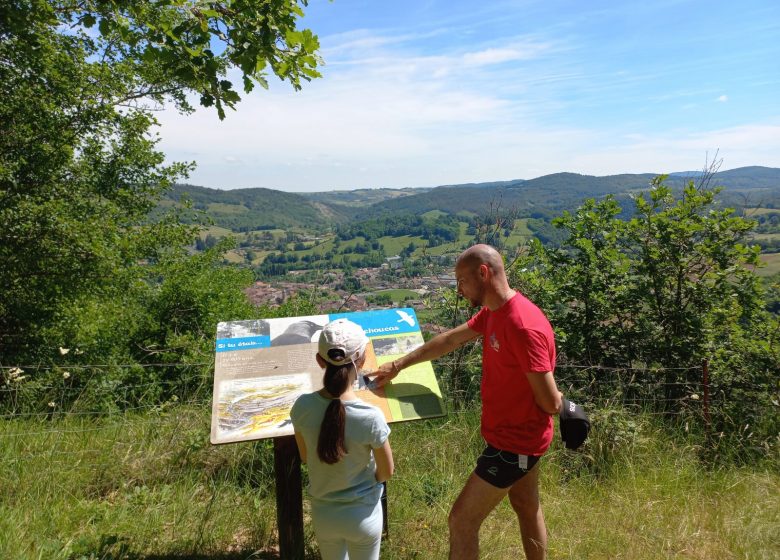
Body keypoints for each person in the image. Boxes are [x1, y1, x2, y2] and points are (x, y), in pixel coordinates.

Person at [369, 244, 561, 560]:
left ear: (483, 273)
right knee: (527, 506)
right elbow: (449, 340)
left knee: (461, 520)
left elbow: (550, 401)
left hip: (515, 444)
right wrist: (398, 365)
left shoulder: (522, 325)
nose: (459, 290)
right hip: (517, 439)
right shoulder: (495, 314)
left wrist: (559, 400)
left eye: (461, 281)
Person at [290, 318, 395, 560]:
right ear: (362, 360)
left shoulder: (302, 407)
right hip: (364, 514)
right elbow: (387, 471)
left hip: (324, 514)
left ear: (320, 361)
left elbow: (305, 457)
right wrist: (368, 483)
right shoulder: (371, 417)